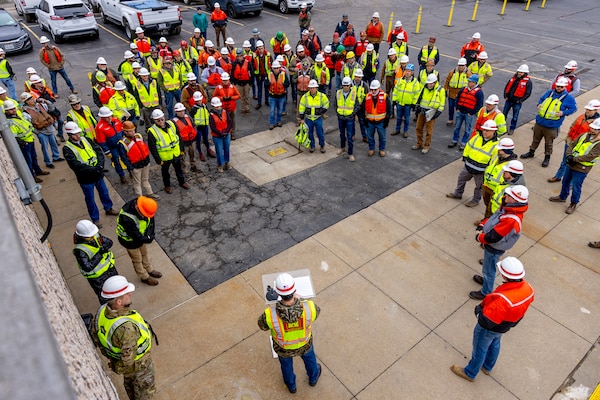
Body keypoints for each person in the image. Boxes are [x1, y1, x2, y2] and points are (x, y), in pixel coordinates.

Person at [450, 257, 534, 382]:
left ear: (505, 276)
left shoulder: (503, 299)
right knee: (495, 343)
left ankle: (470, 372)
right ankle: (487, 367)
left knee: (480, 348)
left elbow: (486, 321)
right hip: (504, 327)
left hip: (489, 328)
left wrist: (478, 311)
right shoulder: (528, 289)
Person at [93, 275, 156, 397]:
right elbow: (128, 359)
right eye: (127, 293)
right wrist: (118, 368)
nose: (130, 294)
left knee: (130, 386)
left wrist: (114, 361)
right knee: (144, 393)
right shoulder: (126, 329)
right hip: (139, 367)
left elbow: (96, 336)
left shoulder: (102, 312)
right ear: (119, 302)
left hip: (127, 369)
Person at [257, 273, 321, 394]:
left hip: (283, 349)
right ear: (295, 290)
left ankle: (291, 386)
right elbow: (316, 313)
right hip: (305, 345)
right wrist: (301, 300)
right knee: (311, 360)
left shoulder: (270, 314)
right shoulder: (310, 307)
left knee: (286, 367)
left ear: (278, 293)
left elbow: (262, 326)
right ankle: (313, 378)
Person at [471, 185, 528, 300]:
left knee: (489, 270)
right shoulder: (508, 208)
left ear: (515, 200)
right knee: (489, 265)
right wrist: (483, 224)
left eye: (509, 195)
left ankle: (486, 292)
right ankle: (486, 280)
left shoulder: (510, 218)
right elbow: (494, 217)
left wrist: (480, 238)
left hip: (494, 247)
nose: (505, 196)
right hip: (494, 246)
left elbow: (493, 237)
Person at [63, 122, 119, 228]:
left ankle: (109, 208)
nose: (78, 136)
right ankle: (95, 219)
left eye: (78, 133)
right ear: (69, 135)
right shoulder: (67, 149)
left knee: (104, 193)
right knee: (90, 199)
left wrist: (100, 166)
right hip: (86, 178)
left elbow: (98, 151)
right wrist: (94, 169)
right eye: (75, 134)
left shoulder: (86, 140)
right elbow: (76, 165)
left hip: (98, 174)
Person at [520, 77, 577, 167]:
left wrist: (563, 113)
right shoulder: (549, 93)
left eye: (561, 87)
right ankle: (531, 152)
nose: (559, 88)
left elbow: (573, 109)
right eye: (558, 86)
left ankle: (547, 157)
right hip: (540, 122)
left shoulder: (568, 98)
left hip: (552, 125)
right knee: (535, 139)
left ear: (565, 87)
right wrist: (539, 104)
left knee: (548, 143)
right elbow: (542, 99)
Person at [549, 118, 600, 215]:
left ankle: (573, 203)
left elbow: (590, 156)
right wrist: (569, 155)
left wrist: (574, 159)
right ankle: (562, 196)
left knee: (576, 187)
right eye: (592, 128)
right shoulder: (584, 135)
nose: (592, 130)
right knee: (565, 181)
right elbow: (572, 144)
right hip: (571, 163)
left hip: (581, 168)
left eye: (595, 129)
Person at [446, 120, 499, 207]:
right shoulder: (477, 137)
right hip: (468, 166)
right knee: (461, 179)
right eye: (484, 130)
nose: (484, 132)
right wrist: (465, 157)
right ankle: (458, 194)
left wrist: (487, 171)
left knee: (479, 187)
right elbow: (468, 146)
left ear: (493, 131)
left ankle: (475, 200)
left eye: (487, 130)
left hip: (481, 171)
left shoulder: (496, 145)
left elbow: (493, 161)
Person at [549, 99, 600, 183]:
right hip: (571, 142)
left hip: (581, 147)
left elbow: (594, 138)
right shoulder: (581, 117)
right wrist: (568, 138)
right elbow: (572, 126)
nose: (587, 111)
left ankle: (572, 183)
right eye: (587, 109)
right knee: (565, 160)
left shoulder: (596, 124)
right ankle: (558, 176)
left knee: (576, 165)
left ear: (595, 110)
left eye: (589, 110)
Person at [117, 196, 162, 285]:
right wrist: (148, 239)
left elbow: (151, 222)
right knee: (137, 259)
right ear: (139, 209)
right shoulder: (127, 218)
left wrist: (150, 235)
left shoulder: (144, 205)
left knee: (144, 253)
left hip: (141, 238)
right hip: (130, 242)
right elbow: (135, 235)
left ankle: (149, 269)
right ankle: (144, 276)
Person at [72, 220, 118, 303]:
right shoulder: (80, 250)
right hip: (97, 278)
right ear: (82, 236)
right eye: (89, 236)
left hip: (109, 269)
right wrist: (100, 253)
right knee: (105, 297)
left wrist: (105, 247)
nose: (93, 237)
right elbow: (87, 267)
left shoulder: (95, 236)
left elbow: (109, 242)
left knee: (117, 288)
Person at [4, 99, 49, 183]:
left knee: (33, 158)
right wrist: (23, 143)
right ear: (6, 111)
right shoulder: (10, 122)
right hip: (25, 144)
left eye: (14, 108)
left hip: (30, 140)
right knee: (28, 161)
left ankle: (38, 170)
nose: (14, 110)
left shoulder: (17, 115)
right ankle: (32, 177)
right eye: (11, 109)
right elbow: (14, 136)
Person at [147, 109, 188, 193]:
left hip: (175, 153)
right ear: (154, 120)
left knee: (178, 169)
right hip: (165, 157)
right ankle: (167, 186)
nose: (161, 122)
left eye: (162, 119)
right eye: (158, 120)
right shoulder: (152, 131)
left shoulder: (172, 124)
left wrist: (182, 149)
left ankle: (182, 182)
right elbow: (152, 147)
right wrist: (158, 160)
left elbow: (178, 137)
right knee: (165, 172)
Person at [21, 92, 64, 169]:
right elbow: (29, 125)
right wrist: (37, 133)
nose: (32, 100)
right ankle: (48, 162)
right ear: (26, 101)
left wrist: (46, 101)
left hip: (49, 128)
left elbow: (51, 108)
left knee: (54, 144)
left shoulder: (40, 105)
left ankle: (56, 157)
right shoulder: (26, 113)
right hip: (41, 132)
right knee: (45, 148)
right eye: (29, 99)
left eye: (31, 98)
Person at [118, 121, 160, 200]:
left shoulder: (138, 136)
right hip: (136, 166)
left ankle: (150, 193)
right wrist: (131, 168)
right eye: (130, 131)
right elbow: (123, 158)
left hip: (145, 163)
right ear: (125, 131)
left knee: (145, 179)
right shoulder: (122, 143)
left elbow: (144, 147)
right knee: (137, 183)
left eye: (133, 130)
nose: (132, 132)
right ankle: (140, 198)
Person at [480, 138, 517, 220]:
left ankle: (486, 222)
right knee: (487, 206)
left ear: (506, 151)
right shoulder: (497, 156)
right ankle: (486, 219)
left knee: (492, 208)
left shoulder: (511, 165)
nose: (498, 150)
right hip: (487, 185)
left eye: (500, 149)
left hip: (496, 190)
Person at [413, 74, 445, 154]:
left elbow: (442, 103)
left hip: (431, 113)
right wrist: (417, 106)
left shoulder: (440, 90)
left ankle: (426, 146)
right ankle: (419, 143)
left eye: (431, 83)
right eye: (428, 83)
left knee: (429, 131)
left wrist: (438, 112)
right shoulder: (424, 88)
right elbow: (420, 97)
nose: (429, 85)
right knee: (418, 128)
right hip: (422, 111)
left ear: (435, 82)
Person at [448, 74, 483, 149]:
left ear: (475, 83)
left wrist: (472, 113)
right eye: (468, 81)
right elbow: (457, 98)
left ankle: (464, 143)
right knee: (457, 127)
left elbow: (479, 105)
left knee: (467, 130)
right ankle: (454, 140)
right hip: (460, 112)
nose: (468, 82)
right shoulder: (463, 89)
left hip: (469, 114)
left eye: (470, 81)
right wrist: (457, 108)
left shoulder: (479, 93)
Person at [95, 107, 127, 184]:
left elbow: (122, 129)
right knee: (116, 160)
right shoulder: (100, 127)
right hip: (112, 147)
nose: (109, 118)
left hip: (121, 143)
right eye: (107, 117)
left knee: (126, 157)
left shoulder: (116, 120)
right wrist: (107, 151)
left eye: (110, 116)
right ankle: (121, 175)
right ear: (102, 117)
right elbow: (101, 141)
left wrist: (124, 137)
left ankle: (131, 170)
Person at [299, 80, 329, 153]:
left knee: (320, 133)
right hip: (309, 118)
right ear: (309, 88)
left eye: (314, 88)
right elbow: (301, 108)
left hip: (318, 118)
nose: (312, 89)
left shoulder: (322, 96)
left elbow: (326, 104)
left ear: (316, 88)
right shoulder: (305, 97)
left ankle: (322, 145)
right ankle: (312, 146)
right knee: (310, 133)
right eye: (311, 88)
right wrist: (302, 118)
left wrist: (322, 111)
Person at [391, 63, 420, 138]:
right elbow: (395, 90)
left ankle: (405, 131)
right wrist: (394, 100)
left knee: (407, 119)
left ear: (412, 72)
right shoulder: (400, 80)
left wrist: (414, 104)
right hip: (400, 103)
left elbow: (417, 94)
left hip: (408, 104)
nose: (407, 72)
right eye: (406, 71)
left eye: (409, 71)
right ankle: (397, 129)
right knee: (399, 117)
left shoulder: (415, 83)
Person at [364, 80, 391, 157]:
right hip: (370, 122)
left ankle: (381, 149)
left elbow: (389, 109)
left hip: (381, 122)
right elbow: (363, 109)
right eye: (372, 89)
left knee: (382, 137)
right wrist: (364, 119)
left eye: (375, 89)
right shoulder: (367, 97)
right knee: (370, 137)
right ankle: (371, 148)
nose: (373, 91)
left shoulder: (385, 97)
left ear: (379, 88)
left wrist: (387, 120)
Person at [335, 77, 360, 161]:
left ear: (350, 86)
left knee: (349, 136)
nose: (346, 87)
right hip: (341, 118)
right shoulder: (338, 93)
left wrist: (352, 114)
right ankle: (342, 148)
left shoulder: (353, 94)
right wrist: (338, 113)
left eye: (347, 85)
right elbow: (335, 105)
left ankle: (350, 153)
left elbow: (357, 105)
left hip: (349, 118)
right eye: (344, 85)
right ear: (342, 85)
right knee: (342, 134)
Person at [503, 64, 533, 135]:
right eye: (519, 72)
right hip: (509, 100)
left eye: (521, 72)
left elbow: (528, 93)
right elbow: (507, 87)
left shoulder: (528, 82)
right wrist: (505, 95)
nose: (519, 73)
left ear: (525, 73)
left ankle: (512, 129)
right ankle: (501, 127)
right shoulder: (513, 78)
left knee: (515, 117)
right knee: (504, 114)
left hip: (517, 102)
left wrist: (520, 100)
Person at [171, 102, 199, 172]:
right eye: (179, 111)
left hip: (192, 140)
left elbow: (193, 125)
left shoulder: (188, 117)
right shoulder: (174, 122)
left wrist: (195, 133)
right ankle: (183, 170)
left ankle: (193, 166)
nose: (181, 113)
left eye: (182, 111)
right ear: (176, 112)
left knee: (193, 155)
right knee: (183, 157)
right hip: (183, 143)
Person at [444, 58, 470, 127]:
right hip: (452, 93)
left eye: (462, 65)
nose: (461, 67)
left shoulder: (468, 73)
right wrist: (445, 89)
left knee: (459, 109)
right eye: (460, 65)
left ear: (465, 65)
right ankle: (450, 119)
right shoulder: (452, 72)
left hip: (461, 95)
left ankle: (458, 121)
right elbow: (447, 80)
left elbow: (470, 84)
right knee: (451, 107)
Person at [190, 91, 216, 161]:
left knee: (206, 139)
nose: (199, 102)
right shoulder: (193, 109)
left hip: (205, 126)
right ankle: (200, 153)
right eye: (197, 101)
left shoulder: (204, 106)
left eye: (200, 100)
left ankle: (208, 149)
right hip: (198, 127)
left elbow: (207, 114)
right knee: (198, 140)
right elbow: (191, 119)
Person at [209, 97, 233, 173]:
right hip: (217, 136)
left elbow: (230, 122)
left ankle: (227, 162)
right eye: (216, 107)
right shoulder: (211, 115)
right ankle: (220, 165)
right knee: (219, 150)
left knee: (227, 148)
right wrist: (220, 133)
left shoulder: (224, 112)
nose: (218, 108)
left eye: (219, 106)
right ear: (213, 106)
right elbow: (213, 127)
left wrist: (226, 131)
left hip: (226, 134)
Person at [213, 72, 240, 138]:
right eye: (224, 80)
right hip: (223, 108)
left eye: (226, 80)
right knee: (225, 122)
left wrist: (231, 98)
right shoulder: (218, 88)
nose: (225, 82)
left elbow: (238, 95)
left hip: (232, 107)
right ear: (221, 80)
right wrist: (222, 98)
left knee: (233, 121)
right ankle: (226, 133)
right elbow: (214, 97)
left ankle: (233, 134)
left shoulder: (233, 87)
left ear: (229, 80)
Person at [266, 61, 289, 130]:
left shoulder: (283, 74)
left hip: (281, 96)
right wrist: (270, 84)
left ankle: (279, 121)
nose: (276, 69)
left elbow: (287, 83)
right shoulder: (269, 75)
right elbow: (265, 84)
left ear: (279, 68)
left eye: (277, 68)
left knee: (280, 110)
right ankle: (272, 123)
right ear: (272, 68)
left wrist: (282, 84)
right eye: (274, 68)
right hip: (272, 96)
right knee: (272, 110)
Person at [232, 48, 252, 114]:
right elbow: (232, 73)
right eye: (237, 56)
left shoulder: (248, 63)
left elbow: (251, 73)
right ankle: (243, 108)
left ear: (242, 55)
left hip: (246, 83)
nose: (239, 57)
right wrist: (234, 83)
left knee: (246, 96)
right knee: (241, 97)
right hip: (238, 83)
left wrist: (250, 83)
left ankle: (247, 108)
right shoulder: (234, 64)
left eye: (240, 56)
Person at [252, 41, 271, 110]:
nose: (260, 50)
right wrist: (254, 73)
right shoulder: (254, 56)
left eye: (261, 48)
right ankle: (259, 103)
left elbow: (270, 64)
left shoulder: (268, 54)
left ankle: (267, 101)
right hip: (258, 76)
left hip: (266, 74)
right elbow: (252, 65)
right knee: (259, 89)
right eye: (259, 49)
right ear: (257, 48)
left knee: (267, 89)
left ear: (263, 48)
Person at [352, 68, 369, 143]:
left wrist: (366, 109)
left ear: (361, 77)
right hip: (352, 107)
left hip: (362, 107)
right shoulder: (350, 84)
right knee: (352, 122)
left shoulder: (365, 85)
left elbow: (368, 97)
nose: (357, 78)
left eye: (359, 77)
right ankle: (352, 135)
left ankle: (364, 136)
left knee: (362, 122)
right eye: (356, 76)